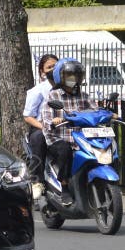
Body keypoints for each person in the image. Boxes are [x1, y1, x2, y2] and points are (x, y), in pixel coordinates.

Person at [40, 58, 96, 207]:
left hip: (81, 138)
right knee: (64, 150)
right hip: (58, 137)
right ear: (61, 77)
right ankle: (64, 186)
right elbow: (46, 119)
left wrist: (109, 114)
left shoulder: (84, 96)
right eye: (69, 75)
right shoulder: (53, 96)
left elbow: (95, 110)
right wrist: (54, 120)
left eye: (76, 75)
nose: (73, 79)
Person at [22, 54, 58, 198]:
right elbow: (27, 116)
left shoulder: (68, 88)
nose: (53, 69)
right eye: (49, 67)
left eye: (56, 66)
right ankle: (36, 180)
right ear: (42, 72)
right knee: (39, 138)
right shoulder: (38, 90)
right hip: (40, 127)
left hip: (63, 127)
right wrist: (43, 126)